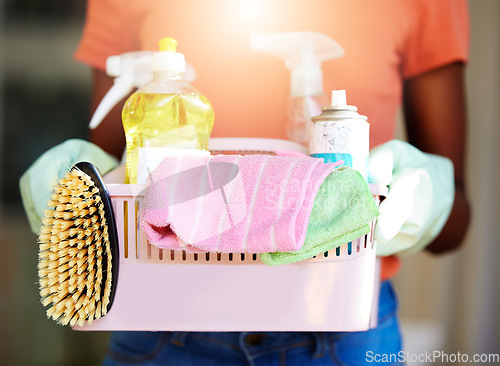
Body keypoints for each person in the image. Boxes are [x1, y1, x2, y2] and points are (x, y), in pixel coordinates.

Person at [74, 0, 471, 364]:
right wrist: (74, 193)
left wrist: (425, 198)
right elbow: (114, 172)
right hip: (161, 321)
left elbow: (455, 228)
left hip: (340, 319)